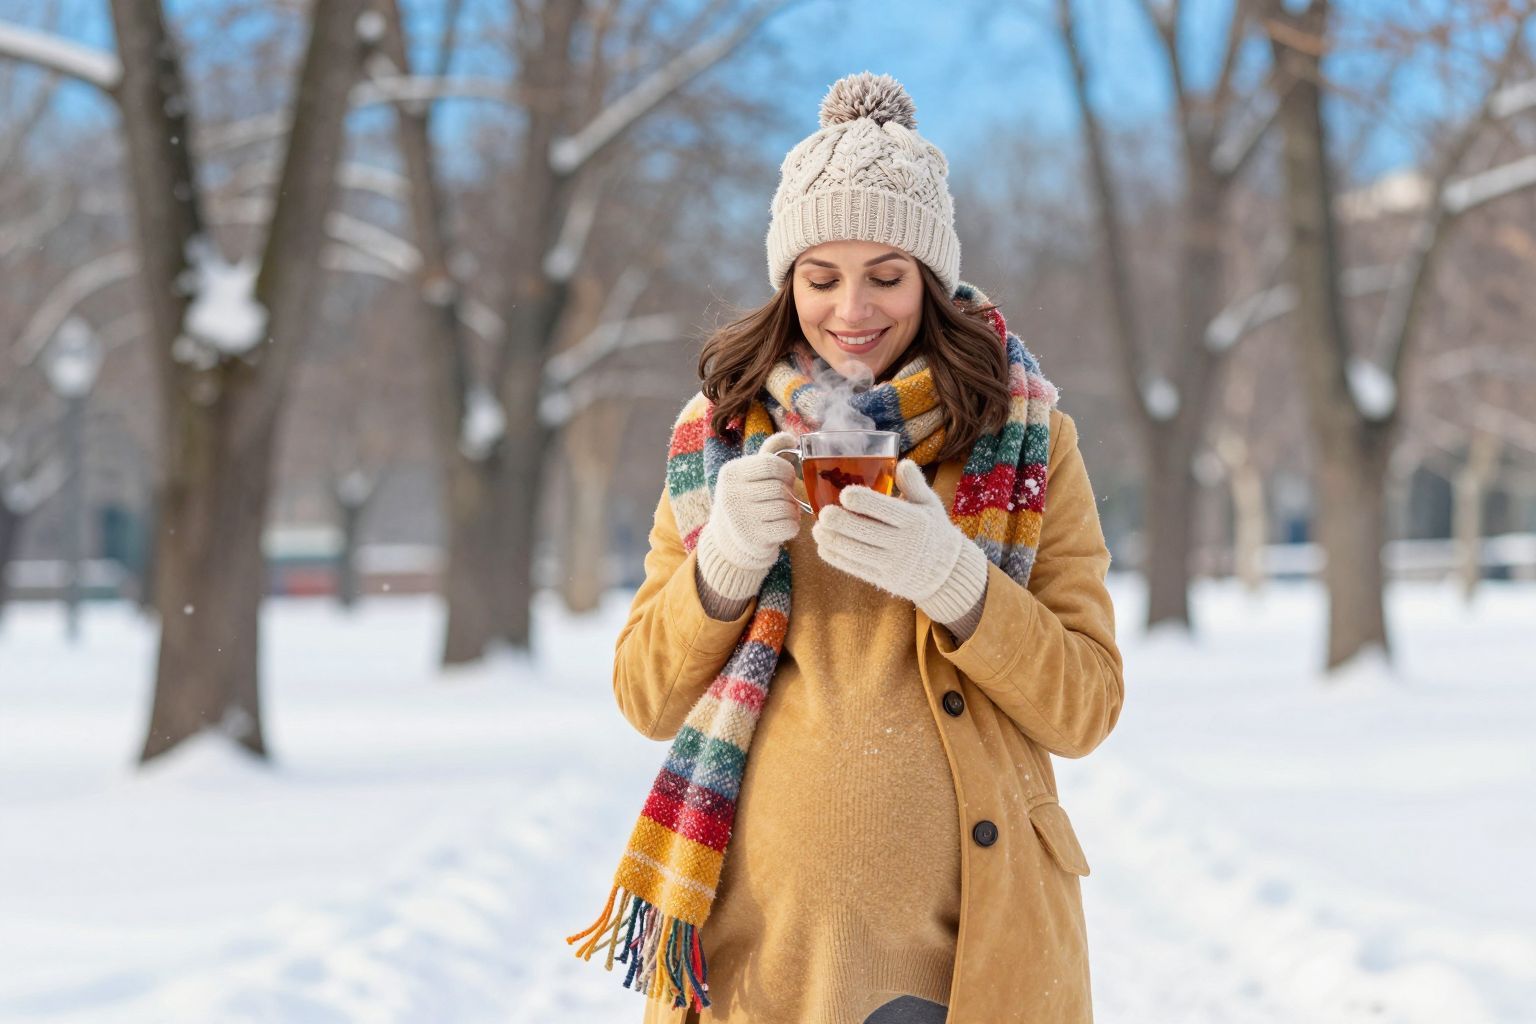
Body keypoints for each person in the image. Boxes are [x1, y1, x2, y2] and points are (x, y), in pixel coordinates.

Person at [567, 72, 1124, 1024]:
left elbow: (1085, 706)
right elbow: (646, 696)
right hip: (759, 958)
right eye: (822, 278)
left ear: (932, 282)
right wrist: (727, 562)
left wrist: (953, 580)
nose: (852, 310)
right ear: (788, 283)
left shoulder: (1024, 435)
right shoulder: (718, 438)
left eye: (886, 275)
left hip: (971, 957)